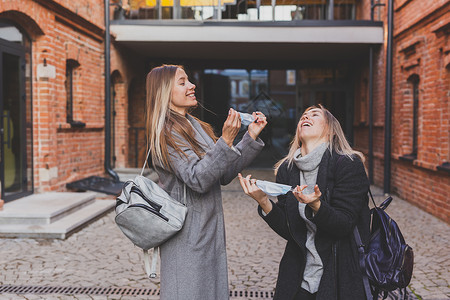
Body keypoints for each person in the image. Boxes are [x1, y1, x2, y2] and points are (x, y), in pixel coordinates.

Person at [145, 64, 267, 300]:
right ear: (164, 92)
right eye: (182, 82)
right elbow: (198, 179)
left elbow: (221, 173)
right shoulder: (166, 132)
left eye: (189, 80)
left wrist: (249, 136)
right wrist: (226, 140)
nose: (192, 86)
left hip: (208, 230)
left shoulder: (195, 125)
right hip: (186, 235)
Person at [238, 104, 370, 300]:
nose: (305, 118)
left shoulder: (347, 164)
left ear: (330, 129)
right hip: (298, 275)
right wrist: (263, 200)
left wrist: (316, 206)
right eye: (303, 116)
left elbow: (345, 225)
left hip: (339, 274)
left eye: (315, 115)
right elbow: (290, 230)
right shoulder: (287, 169)